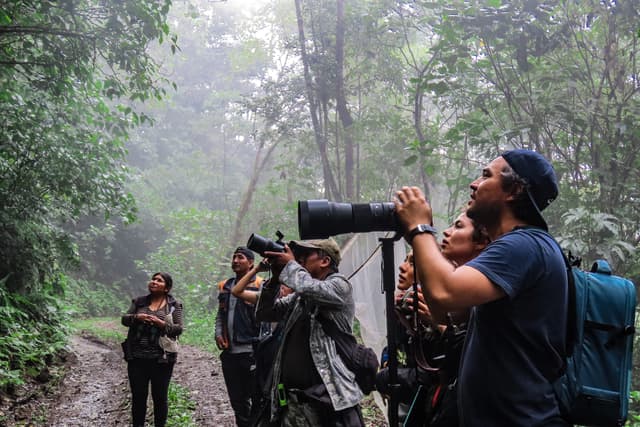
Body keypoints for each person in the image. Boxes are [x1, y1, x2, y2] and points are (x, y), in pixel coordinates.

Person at [394, 149, 569, 426]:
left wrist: (419, 228)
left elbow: (445, 293)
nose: (474, 183)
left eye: (486, 175)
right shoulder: (517, 247)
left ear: (513, 190)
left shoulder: (524, 245)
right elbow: (444, 311)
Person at [255, 238, 364, 427]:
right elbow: (265, 313)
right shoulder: (300, 297)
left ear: (325, 261)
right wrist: (274, 279)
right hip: (293, 402)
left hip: (327, 401)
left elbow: (313, 288)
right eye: (298, 256)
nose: (300, 260)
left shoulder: (339, 285)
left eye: (305, 255)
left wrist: (289, 266)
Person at [121, 272, 183, 427]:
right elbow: (124, 319)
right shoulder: (139, 302)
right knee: (138, 398)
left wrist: (160, 323)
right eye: (153, 279)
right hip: (137, 358)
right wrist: (137, 318)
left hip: (162, 360)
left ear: (167, 288)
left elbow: (178, 329)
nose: (154, 282)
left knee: (160, 398)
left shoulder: (174, 305)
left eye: (159, 280)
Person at [215, 246, 264, 427]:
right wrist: (219, 333)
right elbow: (221, 314)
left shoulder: (260, 284)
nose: (235, 260)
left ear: (251, 263)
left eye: (240, 257)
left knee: (256, 398)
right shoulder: (225, 286)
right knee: (237, 400)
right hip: (230, 353)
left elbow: (267, 318)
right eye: (234, 257)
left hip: (251, 350)